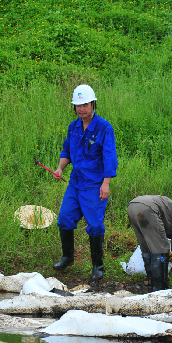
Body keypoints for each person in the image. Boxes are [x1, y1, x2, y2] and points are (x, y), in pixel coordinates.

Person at [52, 85, 118, 280]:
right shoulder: (73, 127)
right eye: (78, 105)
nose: (81, 109)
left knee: (95, 225)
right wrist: (60, 168)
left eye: (85, 104)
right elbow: (67, 151)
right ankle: (68, 257)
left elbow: (109, 156)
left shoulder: (104, 127)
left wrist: (106, 183)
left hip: (95, 184)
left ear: (93, 104)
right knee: (64, 218)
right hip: (76, 182)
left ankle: (98, 266)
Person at [127, 195, 172, 291]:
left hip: (132, 206)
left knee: (147, 246)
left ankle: (151, 282)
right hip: (149, 209)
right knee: (161, 249)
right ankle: (160, 286)